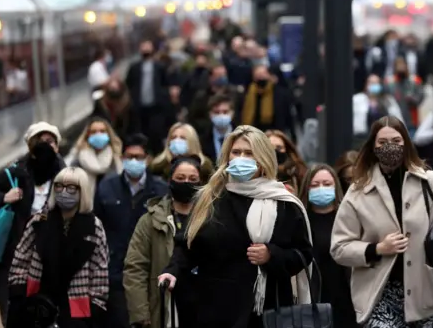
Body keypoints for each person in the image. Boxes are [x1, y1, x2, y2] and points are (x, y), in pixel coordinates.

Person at [157, 125, 313, 328]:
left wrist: (271, 255)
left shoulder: (283, 203)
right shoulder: (210, 198)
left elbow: (303, 254)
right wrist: (173, 270)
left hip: (265, 311)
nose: (241, 158)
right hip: (215, 309)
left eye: (249, 153)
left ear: (263, 158)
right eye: (236, 152)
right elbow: (187, 245)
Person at [331, 115, 433, 328]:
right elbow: (339, 247)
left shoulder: (429, 181)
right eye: (382, 142)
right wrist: (377, 248)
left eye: (397, 141)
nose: (390, 147)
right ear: (372, 146)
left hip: (425, 293)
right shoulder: (358, 191)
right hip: (379, 294)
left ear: (406, 144)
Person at [0, 121, 66, 325]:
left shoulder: (68, 177)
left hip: (52, 266)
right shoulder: (15, 174)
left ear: (58, 146)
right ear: (30, 147)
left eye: (50, 142)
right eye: (40, 142)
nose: (46, 146)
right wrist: (2, 198)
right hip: (15, 267)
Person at [7, 167, 109, 328]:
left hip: (77, 306)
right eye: (59, 186)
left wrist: (95, 305)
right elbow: (20, 259)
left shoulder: (94, 227)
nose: (63, 192)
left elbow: (100, 270)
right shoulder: (39, 221)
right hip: (37, 303)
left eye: (71, 187)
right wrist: (19, 295)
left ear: (82, 191)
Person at [94, 133, 167, 328]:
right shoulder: (106, 187)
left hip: (150, 271)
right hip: (115, 269)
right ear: (122, 157)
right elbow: (97, 227)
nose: (134, 161)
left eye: (139, 157)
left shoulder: (161, 190)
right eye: (129, 156)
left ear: (148, 159)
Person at [124, 156, 204, 328]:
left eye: (193, 179)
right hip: (164, 308)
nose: (186, 183)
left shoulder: (211, 218)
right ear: (170, 181)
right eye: (180, 178)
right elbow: (135, 269)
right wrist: (141, 316)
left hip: (204, 308)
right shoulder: (150, 221)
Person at [299, 164, 357, 328]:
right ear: (307, 188)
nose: (321, 188)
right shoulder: (299, 221)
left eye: (327, 184)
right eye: (315, 185)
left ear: (336, 186)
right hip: (311, 301)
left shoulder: (349, 218)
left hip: (346, 299)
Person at [70, 117, 123, 197]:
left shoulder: (115, 159)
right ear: (87, 135)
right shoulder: (78, 160)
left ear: (108, 134)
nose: (98, 134)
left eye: (102, 131)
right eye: (93, 132)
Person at [353, 74, 404, 148]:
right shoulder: (357, 99)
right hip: (362, 139)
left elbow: (398, 118)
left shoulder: (388, 100)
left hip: (385, 139)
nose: (373, 85)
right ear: (366, 85)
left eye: (376, 83)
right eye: (371, 83)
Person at [149, 122, 214, 179]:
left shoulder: (205, 169)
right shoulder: (158, 167)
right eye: (173, 137)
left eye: (182, 138)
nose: (177, 141)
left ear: (192, 142)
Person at [266, 129, 307, 194]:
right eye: (270, 148)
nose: (275, 151)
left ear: (287, 149)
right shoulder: (258, 173)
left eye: (279, 147)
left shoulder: (299, 173)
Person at [199, 94, 236, 163]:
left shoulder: (241, 136)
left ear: (232, 113)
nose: (221, 115)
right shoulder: (202, 141)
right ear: (210, 114)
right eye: (216, 112)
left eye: (225, 112)